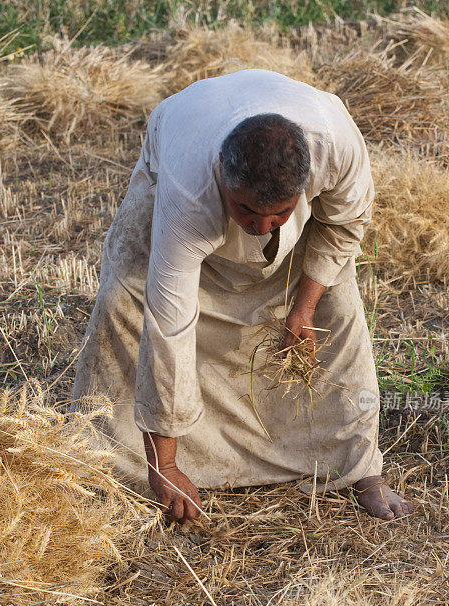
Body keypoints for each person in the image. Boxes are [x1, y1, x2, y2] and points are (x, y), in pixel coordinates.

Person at [72, 68, 414, 523]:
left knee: (340, 313)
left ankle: (357, 468)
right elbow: (169, 323)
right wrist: (166, 463)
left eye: (280, 214)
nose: (261, 227)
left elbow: (345, 225)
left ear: (302, 189)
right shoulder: (188, 189)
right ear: (222, 180)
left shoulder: (335, 146)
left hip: (296, 163)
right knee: (126, 300)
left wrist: (304, 309)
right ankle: (127, 460)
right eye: (246, 210)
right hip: (182, 135)